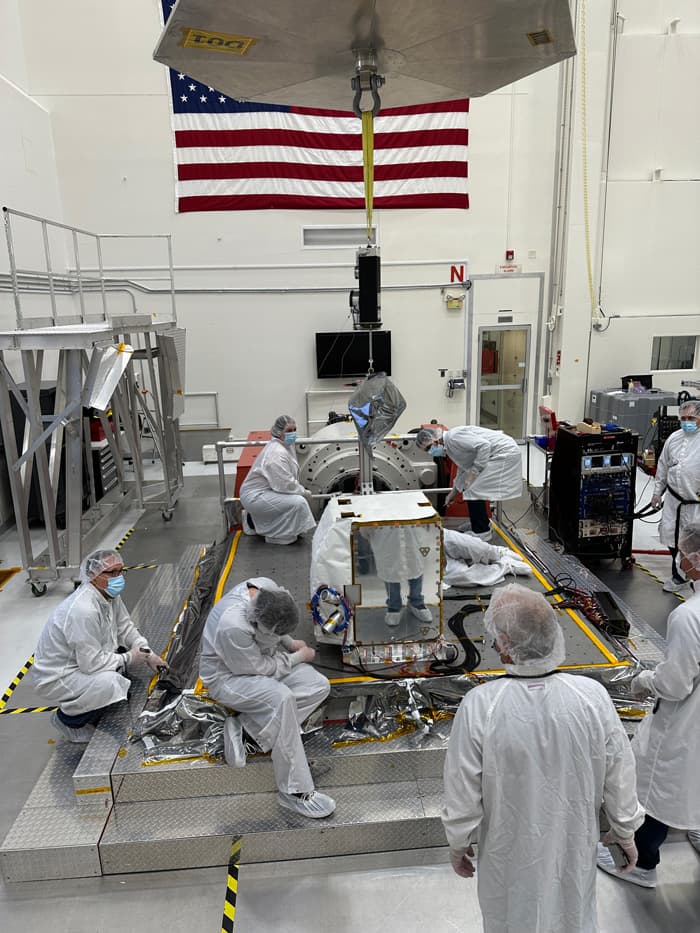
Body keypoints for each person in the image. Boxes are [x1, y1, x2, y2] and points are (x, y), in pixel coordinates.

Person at [442, 583, 643, 933]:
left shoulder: (481, 705)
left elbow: (462, 790)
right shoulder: (591, 697)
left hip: (508, 853)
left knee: (511, 918)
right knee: (572, 915)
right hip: (574, 848)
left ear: (505, 644)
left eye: (494, 638)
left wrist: (458, 841)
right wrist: (624, 830)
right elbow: (620, 773)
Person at [597, 523, 700, 887]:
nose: (681, 558)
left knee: (658, 786)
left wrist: (645, 681)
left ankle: (641, 862)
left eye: (685, 553)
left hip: (687, 723)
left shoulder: (689, 616)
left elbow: (675, 685)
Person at [199, 576, 335, 819]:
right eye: (273, 632)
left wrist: (290, 643)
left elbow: (274, 624)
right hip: (228, 678)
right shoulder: (233, 625)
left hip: (257, 664)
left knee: (318, 685)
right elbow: (257, 668)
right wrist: (298, 657)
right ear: (256, 620)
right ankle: (294, 791)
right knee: (281, 699)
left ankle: (247, 732)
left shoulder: (267, 591)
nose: (276, 634)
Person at [32, 549, 168, 743]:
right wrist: (130, 658)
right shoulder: (83, 610)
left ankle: (85, 704)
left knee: (121, 672)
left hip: (83, 660)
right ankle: (67, 720)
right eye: (111, 573)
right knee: (111, 683)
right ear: (93, 576)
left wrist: (148, 655)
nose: (118, 577)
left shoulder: (108, 596)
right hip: (59, 675)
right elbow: (91, 664)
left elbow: (126, 627)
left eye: (120, 571)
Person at [416, 425, 522, 540]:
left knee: (474, 489)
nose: (431, 452)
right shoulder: (450, 446)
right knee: (471, 487)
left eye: (429, 448)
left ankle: (482, 531)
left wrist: (475, 471)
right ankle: (482, 523)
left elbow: (484, 446)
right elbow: (464, 469)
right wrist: (453, 493)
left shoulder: (453, 438)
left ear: (435, 439)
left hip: (505, 453)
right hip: (495, 453)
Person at [239, 414, 316, 545]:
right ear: (279, 432)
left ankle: (253, 519)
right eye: (289, 431)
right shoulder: (276, 453)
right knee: (298, 502)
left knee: (296, 500)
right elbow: (285, 485)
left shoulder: (285, 446)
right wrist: (303, 492)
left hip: (267, 491)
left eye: (294, 430)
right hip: (255, 496)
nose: (293, 434)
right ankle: (275, 535)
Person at [651, 399, 700, 592]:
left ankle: (692, 575)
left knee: (694, 541)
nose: (687, 421)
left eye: (691, 418)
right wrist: (657, 494)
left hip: (695, 503)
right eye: (683, 418)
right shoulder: (674, 438)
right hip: (673, 500)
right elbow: (663, 467)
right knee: (671, 536)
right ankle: (678, 575)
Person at [363, 524, 434, 626]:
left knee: (416, 565)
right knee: (390, 568)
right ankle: (394, 606)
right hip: (385, 532)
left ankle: (416, 602)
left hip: (412, 528)